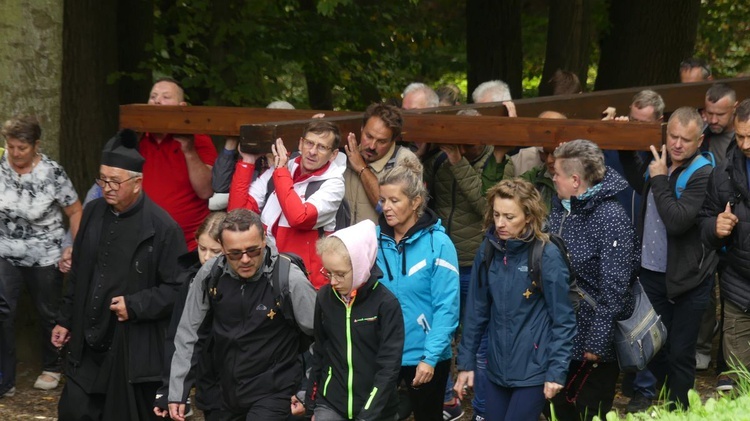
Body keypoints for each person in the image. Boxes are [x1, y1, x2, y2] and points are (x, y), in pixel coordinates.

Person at [53, 129, 187, 420]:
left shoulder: (163, 228)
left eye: (115, 181)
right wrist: (65, 319)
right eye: (102, 179)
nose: (107, 187)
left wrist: (136, 305)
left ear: (137, 183)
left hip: (129, 349)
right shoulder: (92, 212)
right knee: (73, 412)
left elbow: (177, 290)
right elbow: (78, 272)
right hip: (86, 344)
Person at [165, 208, 316, 421]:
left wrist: (306, 392)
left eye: (253, 250)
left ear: (264, 241)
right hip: (225, 392)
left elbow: (322, 336)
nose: (245, 259)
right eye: (235, 253)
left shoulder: (289, 279)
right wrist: (177, 392)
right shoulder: (211, 274)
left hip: (274, 392)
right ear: (223, 249)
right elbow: (189, 333)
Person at [619, 107, 719, 410]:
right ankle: (650, 397)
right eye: (672, 136)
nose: (676, 144)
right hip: (651, 272)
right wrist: (625, 146)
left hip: (689, 278)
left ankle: (679, 410)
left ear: (699, 140)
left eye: (685, 140)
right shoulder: (660, 161)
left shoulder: (703, 172)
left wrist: (660, 178)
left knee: (680, 352)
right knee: (651, 347)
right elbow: (642, 182)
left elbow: (677, 220)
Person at [455, 178, 576, 421]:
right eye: (497, 214)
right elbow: (476, 312)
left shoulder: (546, 254)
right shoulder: (488, 249)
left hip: (534, 370)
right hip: (496, 369)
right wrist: (465, 364)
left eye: (509, 217)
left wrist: (556, 371)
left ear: (529, 216)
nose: (500, 223)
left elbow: (564, 320)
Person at [546, 139, 638, 420]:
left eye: (557, 174)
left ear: (575, 180)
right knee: (554, 411)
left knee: (588, 413)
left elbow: (615, 287)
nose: (552, 178)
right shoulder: (562, 207)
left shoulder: (610, 217)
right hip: (560, 337)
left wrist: (596, 344)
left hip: (592, 344)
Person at [0, 116, 82, 395]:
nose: (14, 153)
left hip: (46, 251)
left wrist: (74, 246)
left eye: (21, 147)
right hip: (5, 250)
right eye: (10, 146)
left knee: (49, 312)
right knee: (3, 310)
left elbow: (74, 211)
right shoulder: (0, 167)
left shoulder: (52, 172)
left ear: (35, 145)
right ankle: (4, 378)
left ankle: (52, 367)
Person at [376, 156, 460, 420]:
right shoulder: (372, 241)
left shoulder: (439, 244)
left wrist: (430, 357)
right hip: (384, 354)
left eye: (394, 200)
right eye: (383, 200)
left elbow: (447, 308)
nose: (386, 208)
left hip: (426, 356)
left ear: (415, 202)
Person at [423, 108, 494, 420]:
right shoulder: (439, 159)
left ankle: (483, 407)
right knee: (439, 334)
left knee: (477, 336)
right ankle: (448, 399)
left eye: (469, 140)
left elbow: (486, 206)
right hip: (441, 262)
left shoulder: (494, 161)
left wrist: (458, 162)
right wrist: (424, 153)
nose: (464, 146)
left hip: (474, 263)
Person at [228, 120, 346, 289]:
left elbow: (299, 218)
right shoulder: (282, 168)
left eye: (321, 147)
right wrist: (247, 161)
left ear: (333, 154)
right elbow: (236, 216)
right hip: (268, 275)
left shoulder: (334, 183)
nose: (312, 152)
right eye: (309, 143)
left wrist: (281, 171)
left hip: (307, 281)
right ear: (300, 143)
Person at [305, 220, 405, 420]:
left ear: (360, 266)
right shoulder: (325, 297)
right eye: (328, 273)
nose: (333, 281)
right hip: (331, 404)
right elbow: (320, 350)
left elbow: (389, 367)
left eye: (340, 274)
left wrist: (367, 415)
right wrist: (311, 404)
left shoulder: (386, 304)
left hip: (376, 409)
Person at [153, 211, 226, 420]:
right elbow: (179, 336)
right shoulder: (192, 281)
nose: (207, 257)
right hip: (210, 383)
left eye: (216, 251)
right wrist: (170, 389)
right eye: (203, 249)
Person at [698, 98, 750, 392]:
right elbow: (703, 221)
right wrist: (714, 227)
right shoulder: (723, 173)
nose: (744, 144)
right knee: (740, 382)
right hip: (739, 288)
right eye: (740, 136)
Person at [139, 77, 218, 250]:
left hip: (187, 244)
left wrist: (189, 151)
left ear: (182, 108)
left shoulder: (199, 138)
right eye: (153, 97)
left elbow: (205, 191)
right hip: (144, 242)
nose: (157, 101)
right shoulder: (138, 139)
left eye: (166, 97)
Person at [344, 103, 417, 224]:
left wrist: (362, 168)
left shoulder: (405, 161)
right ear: (362, 128)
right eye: (369, 136)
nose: (372, 146)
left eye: (381, 141)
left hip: (382, 241)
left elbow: (390, 210)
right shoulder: (346, 154)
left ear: (393, 140)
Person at [701, 83, 738, 164]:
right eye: (710, 113)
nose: (714, 120)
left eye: (720, 114)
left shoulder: (744, 137)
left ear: (734, 108)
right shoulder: (702, 134)